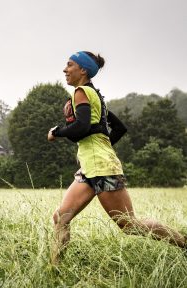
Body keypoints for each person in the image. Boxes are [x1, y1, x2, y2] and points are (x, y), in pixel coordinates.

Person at [48, 51, 186, 263]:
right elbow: (119, 128)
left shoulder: (81, 92)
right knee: (61, 217)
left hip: (101, 168)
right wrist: (102, 147)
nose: (65, 70)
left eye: (69, 65)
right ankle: (54, 268)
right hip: (90, 168)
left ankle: (184, 243)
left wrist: (57, 132)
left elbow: (81, 127)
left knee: (129, 225)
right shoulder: (97, 98)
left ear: (83, 70)